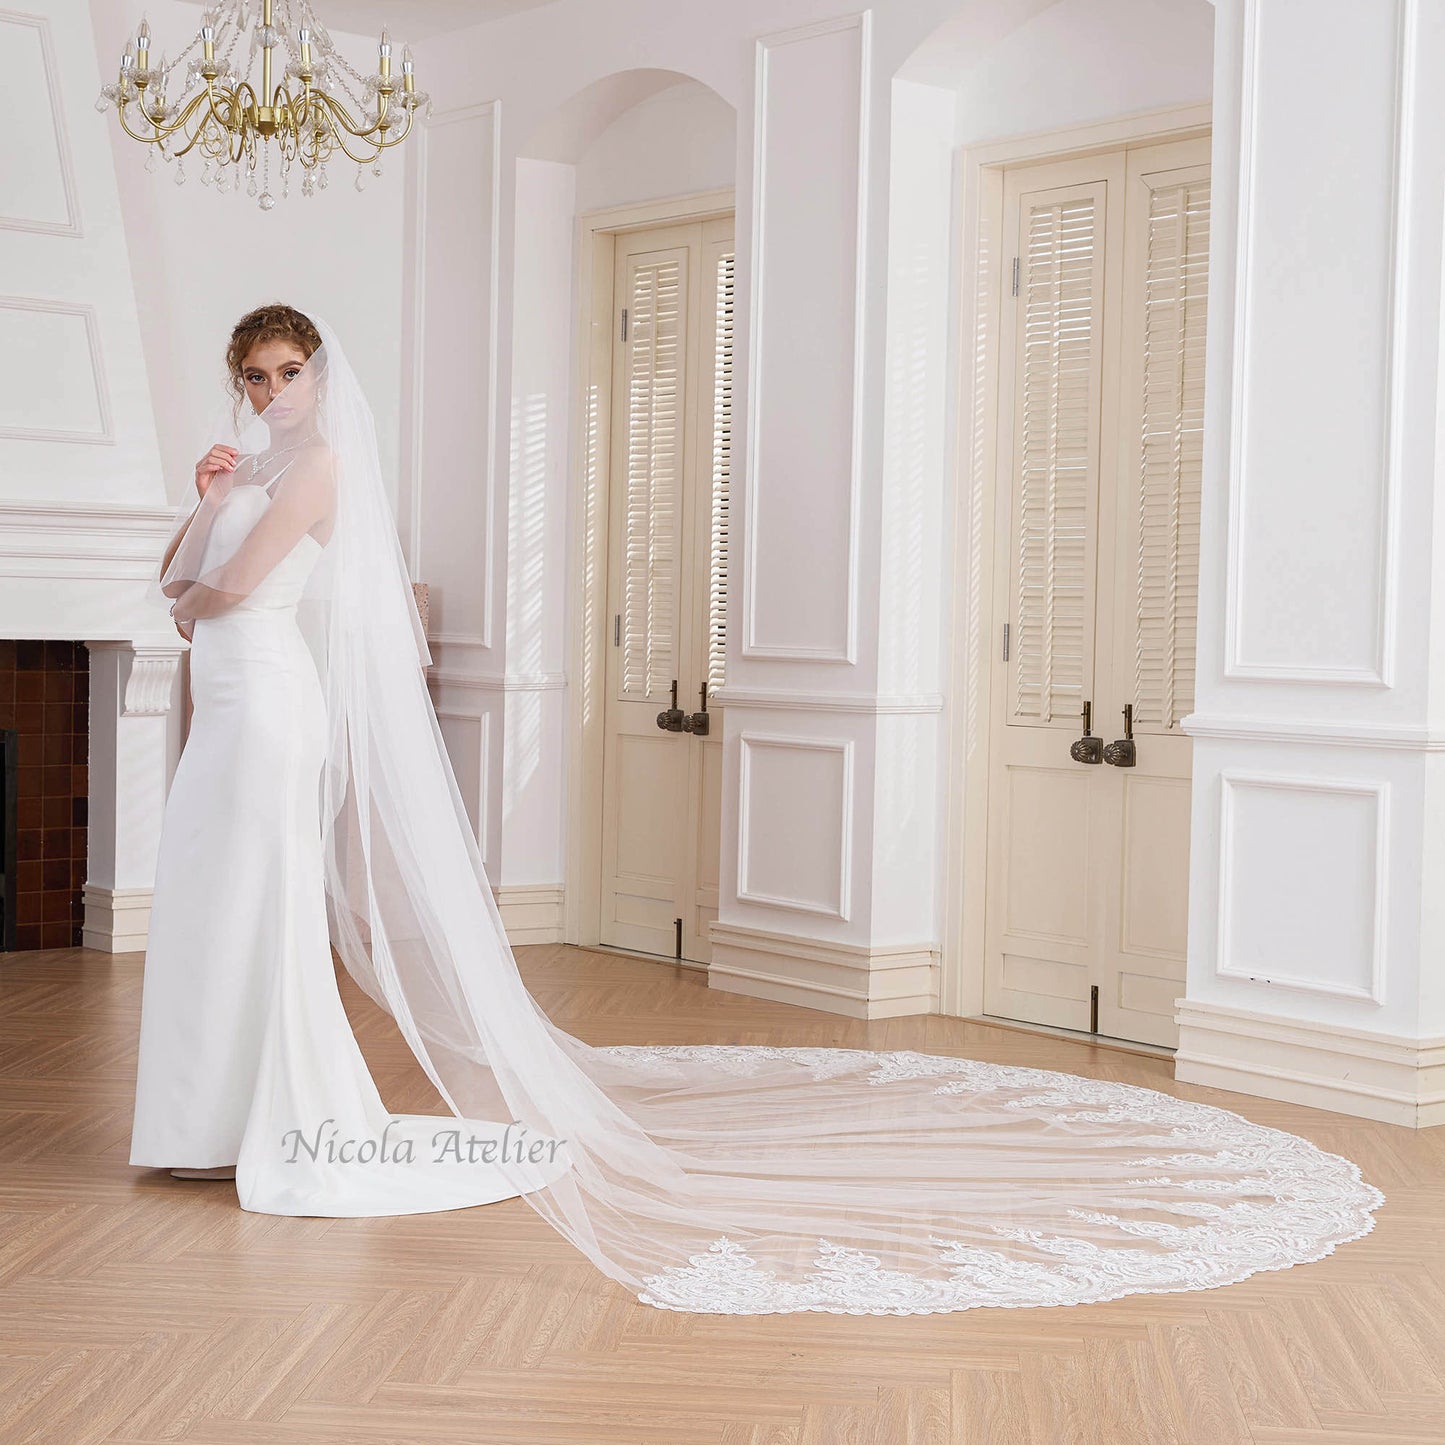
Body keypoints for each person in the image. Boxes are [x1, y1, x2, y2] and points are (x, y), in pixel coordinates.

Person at [129, 303, 1384, 1315]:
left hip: (268, 706)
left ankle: (283, 1112)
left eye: (285, 370)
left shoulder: (326, 465)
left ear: (319, 375)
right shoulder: (252, 463)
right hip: (231, 705)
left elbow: (220, 596)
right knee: (219, 899)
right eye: (251, 374)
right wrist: (202, 494)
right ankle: (210, 1113)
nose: (269, 391)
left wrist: (201, 577)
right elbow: (178, 582)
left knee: (266, 900)